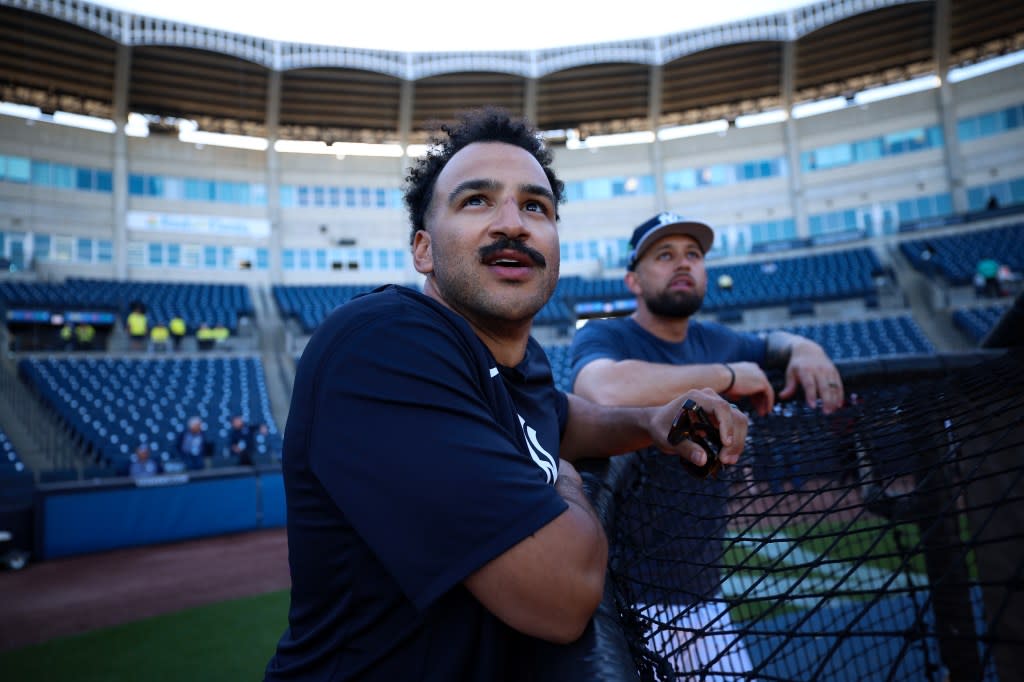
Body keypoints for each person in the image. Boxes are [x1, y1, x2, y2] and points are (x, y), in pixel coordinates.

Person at [264, 108, 749, 681]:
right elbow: (563, 595)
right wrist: (568, 482)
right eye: (476, 201)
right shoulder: (384, 344)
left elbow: (565, 417)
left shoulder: (519, 362)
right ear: (423, 250)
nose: (513, 224)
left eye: (535, 207)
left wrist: (650, 421)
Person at [569, 211, 845, 677]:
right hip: (627, 603)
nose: (683, 264)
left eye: (693, 255)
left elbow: (774, 342)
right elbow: (603, 390)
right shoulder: (606, 332)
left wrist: (805, 349)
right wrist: (727, 377)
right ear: (633, 280)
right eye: (665, 255)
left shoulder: (716, 338)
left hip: (705, 599)